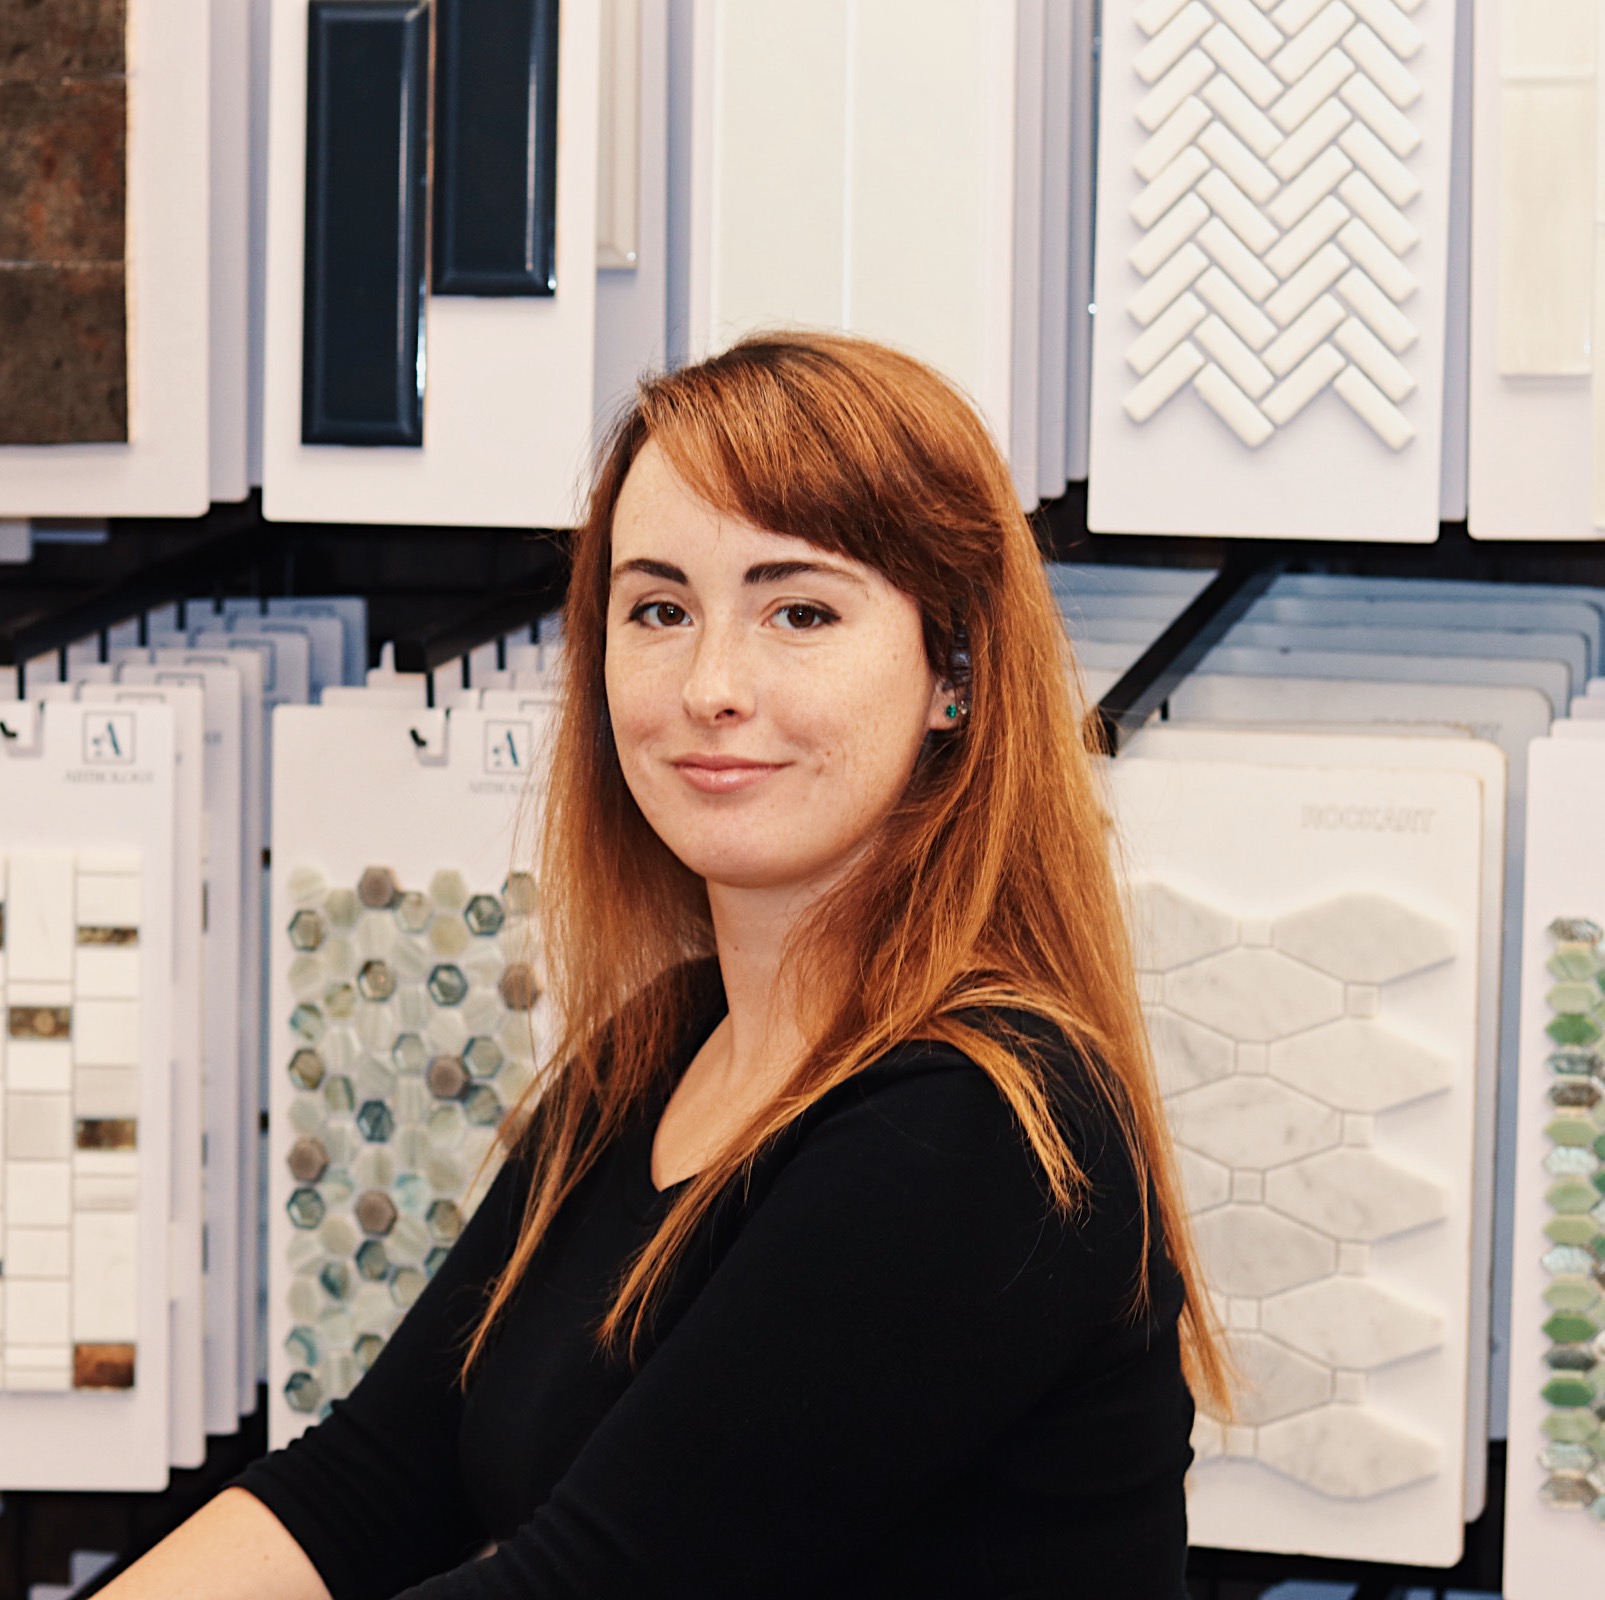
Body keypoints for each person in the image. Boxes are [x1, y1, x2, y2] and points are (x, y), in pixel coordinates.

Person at [103, 332, 1227, 1599]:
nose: (712, 684)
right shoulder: (662, 1045)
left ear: (951, 672)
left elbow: (588, 1585)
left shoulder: (978, 1132)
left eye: (798, 609)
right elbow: (363, 1482)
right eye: (660, 609)